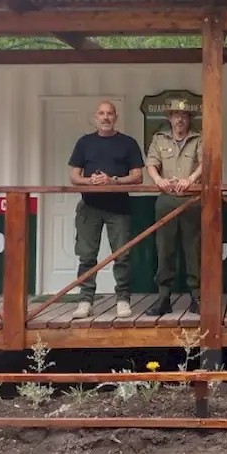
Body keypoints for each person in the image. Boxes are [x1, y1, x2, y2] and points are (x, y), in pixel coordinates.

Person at [67, 101, 145, 319]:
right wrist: (89, 181)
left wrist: (113, 180)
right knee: (86, 256)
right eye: (101, 113)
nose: (105, 117)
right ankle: (85, 300)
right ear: (95, 117)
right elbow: (73, 176)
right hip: (89, 207)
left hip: (118, 207)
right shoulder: (84, 142)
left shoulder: (128, 143)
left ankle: (122, 299)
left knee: (122, 256)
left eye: (109, 113)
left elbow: (138, 176)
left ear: (116, 117)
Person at [144, 97, 203, 315]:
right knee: (164, 249)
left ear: (189, 119)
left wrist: (191, 179)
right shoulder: (159, 139)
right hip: (167, 199)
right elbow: (151, 163)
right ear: (169, 117)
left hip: (192, 199)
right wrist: (158, 180)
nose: (180, 119)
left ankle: (197, 297)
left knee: (193, 249)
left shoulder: (199, 138)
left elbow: (206, 162)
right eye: (176, 115)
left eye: (184, 116)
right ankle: (163, 298)